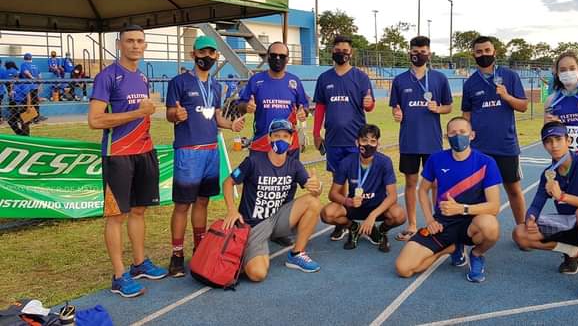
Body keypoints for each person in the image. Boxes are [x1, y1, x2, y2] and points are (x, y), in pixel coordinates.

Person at [87, 25, 167, 298]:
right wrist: (137, 112)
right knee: (116, 215)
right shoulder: (107, 77)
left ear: (145, 46)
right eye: (130, 41)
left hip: (143, 152)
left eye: (140, 41)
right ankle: (119, 275)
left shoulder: (143, 78)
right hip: (118, 155)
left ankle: (139, 263)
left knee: (139, 211)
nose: (135, 45)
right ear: (119, 44)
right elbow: (95, 120)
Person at [165, 36, 245, 277]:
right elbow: (170, 113)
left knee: (203, 201)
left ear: (216, 56)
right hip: (188, 151)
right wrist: (175, 115)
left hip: (211, 150)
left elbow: (216, 116)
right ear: (193, 55)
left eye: (211, 53)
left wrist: (232, 126)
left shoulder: (215, 85)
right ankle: (177, 255)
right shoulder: (178, 82)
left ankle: (199, 247)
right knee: (182, 205)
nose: (207, 57)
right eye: (202, 52)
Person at [512, 122, 578, 300]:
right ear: (544, 145)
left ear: (568, 140)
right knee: (520, 233)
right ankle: (574, 252)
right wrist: (530, 218)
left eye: (559, 139)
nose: (554, 145)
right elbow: (536, 205)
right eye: (548, 141)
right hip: (570, 223)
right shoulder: (549, 173)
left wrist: (562, 197)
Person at [395, 117, 502, 283]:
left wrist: (461, 209)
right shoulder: (436, 159)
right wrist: (430, 220)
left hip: (471, 224)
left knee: (491, 226)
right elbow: (422, 190)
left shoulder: (486, 163)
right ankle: (450, 248)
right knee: (403, 269)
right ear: (446, 137)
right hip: (442, 224)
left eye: (462, 132)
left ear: (472, 135)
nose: (457, 136)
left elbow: (494, 206)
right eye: (452, 133)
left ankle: (477, 254)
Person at [222, 118, 323, 281]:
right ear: (269, 138)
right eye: (276, 136)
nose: (281, 139)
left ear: (291, 139)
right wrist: (232, 210)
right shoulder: (253, 161)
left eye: (285, 136)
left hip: (277, 219)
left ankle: (297, 254)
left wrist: (317, 187)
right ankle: (245, 255)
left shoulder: (294, 165)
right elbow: (228, 182)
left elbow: (315, 191)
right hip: (253, 226)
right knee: (257, 274)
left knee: (314, 202)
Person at [389, 36, 453, 242]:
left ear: (429, 53)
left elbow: (449, 106)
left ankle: (434, 222)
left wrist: (438, 108)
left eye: (423, 51)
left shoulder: (439, 78)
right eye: (415, 51)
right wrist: (396, 114)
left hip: (432, 141)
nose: (419, 55)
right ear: (409, 53)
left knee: (434, 183)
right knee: (410, 182)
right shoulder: (399, 80)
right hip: (409, 140)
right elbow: (396, 109)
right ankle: (412, 225)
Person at [312, 35, 375, 241]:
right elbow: (320, 107)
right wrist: (315, 133)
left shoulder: (361, 77)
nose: (341, 53)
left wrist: (369, 104)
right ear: (332, 51)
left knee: (358, 180)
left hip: (356, 140)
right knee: (338, 183)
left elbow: (370, 104)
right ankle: (342, 221)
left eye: (345, 50)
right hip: (333, 140)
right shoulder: (324, 78)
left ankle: (363, 220)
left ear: (351, 53)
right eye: (337, 49)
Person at [461, 36, 528, 226]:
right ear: (473, 54)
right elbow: (466, 113)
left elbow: (523, 106)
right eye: (479, 52)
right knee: (480, 193)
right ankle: (481, 231)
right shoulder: (470, 83)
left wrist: (507, 96)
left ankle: (521, 228)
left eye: (487, 51)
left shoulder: (510, 76)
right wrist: (465, 137)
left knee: (513, 190)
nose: (484, 55)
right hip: (480, 147)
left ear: (494, 52)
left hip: (506, 145)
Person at [321, 124, 406, 252]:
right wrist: (347, 201)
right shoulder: (346, 162)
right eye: (364, 140)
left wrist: (373, 216)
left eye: (373, 141)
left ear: (378, 143)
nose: (368, 145)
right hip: (354, 206)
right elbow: (332, 194)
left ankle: (380, 231)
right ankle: (354, 227)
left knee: (399, 215)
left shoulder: (385, 162)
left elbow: (393, 195)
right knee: (327, 214)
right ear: (357, 142)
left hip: (377, 207)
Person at [238, 42, 309, 160]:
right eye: (274, 55)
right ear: (268, 56)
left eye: (281, 56)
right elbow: (240, 105)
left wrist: (303, 112)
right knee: (258, 178)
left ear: (287, 59)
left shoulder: (294, 81)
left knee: (290, 178)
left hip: (289, 145)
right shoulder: (256, 80)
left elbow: (304, 106)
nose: (277, 59)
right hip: (262, 143)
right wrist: (247, 107)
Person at [19, 53, 46, 122]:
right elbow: (40, 76)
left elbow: (26, 72)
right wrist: (39, 84)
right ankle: (36, 117)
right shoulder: (35, 66)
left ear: (24, 58)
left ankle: (28, 118)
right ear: (31, 58)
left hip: (27, 87)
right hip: (35, 87)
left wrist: (32, 78)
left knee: (27, 102)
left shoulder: (24, 64)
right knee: (35, 102)